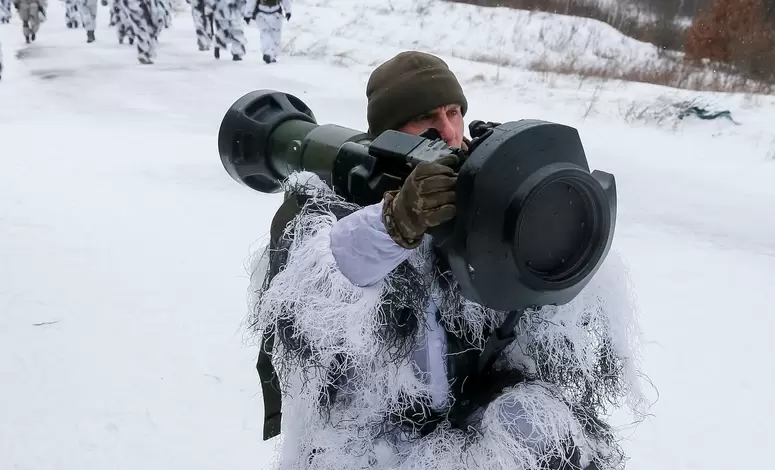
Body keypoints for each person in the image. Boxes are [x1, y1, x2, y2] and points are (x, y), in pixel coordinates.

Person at [245, 51, 647, 470]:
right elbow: (331, 278)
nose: (450, 131)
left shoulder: (484, 184)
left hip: (466, 418)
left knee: (542, 429)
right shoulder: (333, 209)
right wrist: (398, 221)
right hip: (373, 437)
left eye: (454, 112)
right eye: (426, 119)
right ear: (392, 135)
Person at [242, 0, 291, 64]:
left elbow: (252, 1)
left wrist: (248, 14)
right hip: (275, 12)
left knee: (265, 33)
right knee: (276, 36)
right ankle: (271, 55)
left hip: (261, 12)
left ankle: (268, 53)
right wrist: (288, 11)